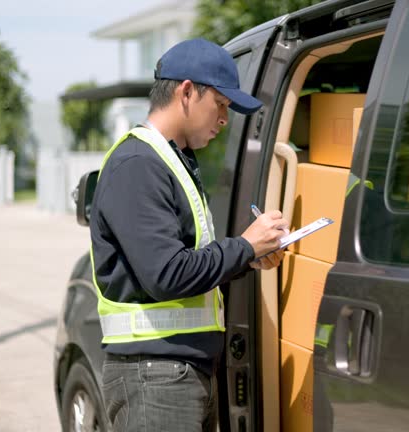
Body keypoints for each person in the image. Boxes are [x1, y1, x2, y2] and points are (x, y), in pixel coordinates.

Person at [89, 38, 288, 431]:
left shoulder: (171, 161)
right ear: (186, 91)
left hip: (175, 373)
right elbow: (166, 274)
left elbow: (191, 265)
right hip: (154, 377)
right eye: (221, 105)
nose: (224, 119)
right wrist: (245, 245)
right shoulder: (138, 164)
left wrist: (248, 256)